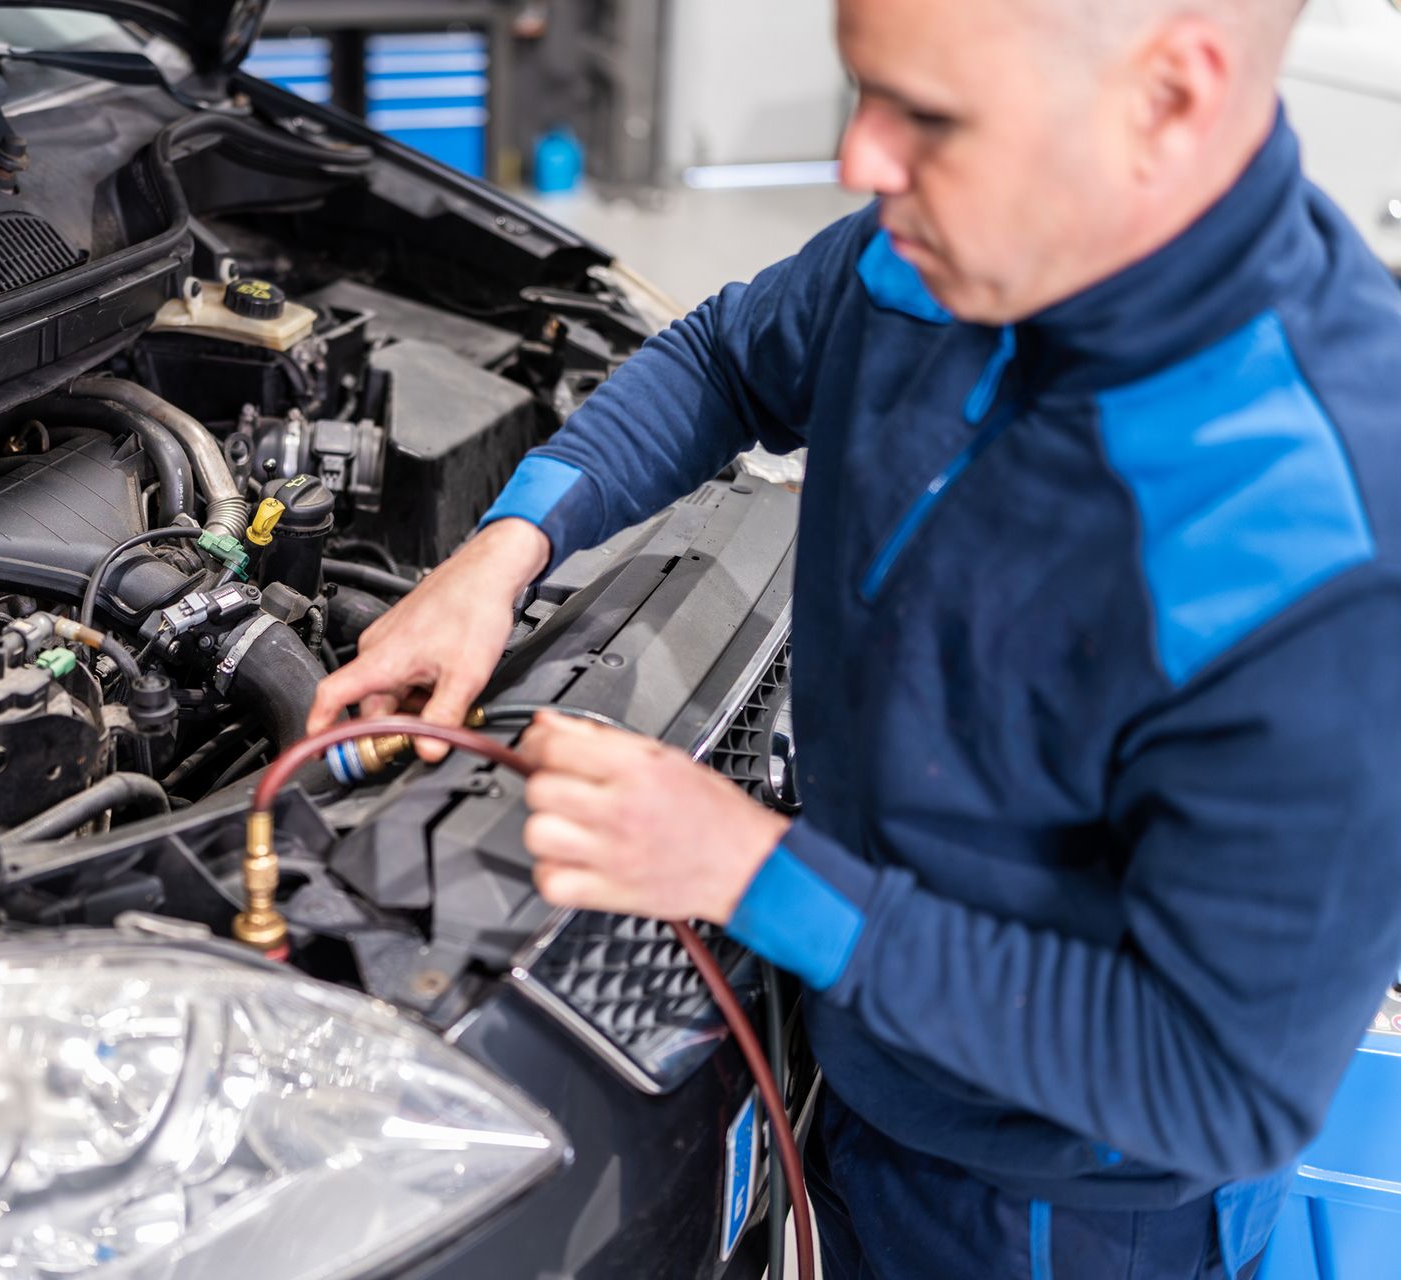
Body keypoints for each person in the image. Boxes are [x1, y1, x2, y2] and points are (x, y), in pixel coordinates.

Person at [307, 0, 1401, 1275]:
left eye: (929, 117)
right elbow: (727, 359)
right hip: (862, 1063)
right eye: (864, 94)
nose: (859, 162)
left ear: (1169, 98)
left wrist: (747, 868)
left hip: (1058, 1212)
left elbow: (1216, 1082)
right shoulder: (945, 244)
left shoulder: (1317, 542)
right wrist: (503, 552)